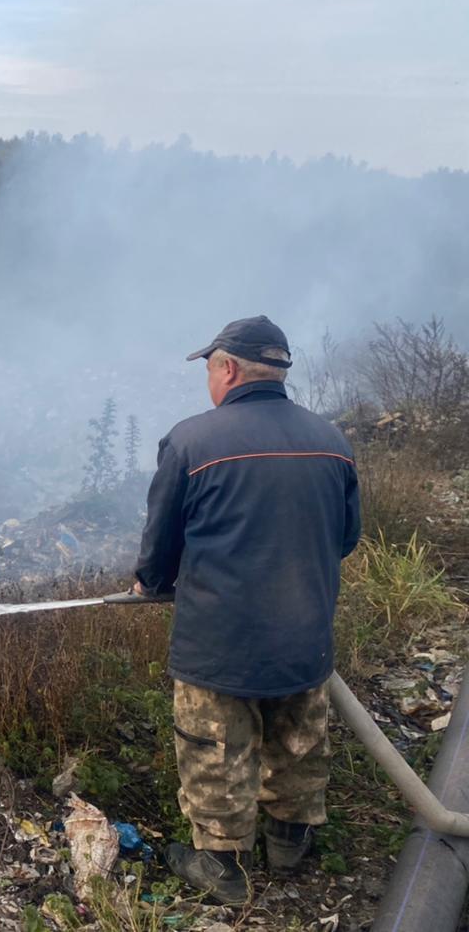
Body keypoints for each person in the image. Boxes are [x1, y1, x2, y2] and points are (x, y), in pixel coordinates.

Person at [132, 315, 361, 904]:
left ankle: (220, 864)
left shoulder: (190, 441)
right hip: (305, 635)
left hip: (219, 643)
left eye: (210, 369)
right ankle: (289, 843)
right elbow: (346, 538)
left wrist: (151, 584)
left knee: (216, 748)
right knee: (297, 738)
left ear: (227, 369)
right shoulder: (332, 442)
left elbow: (159, 551)